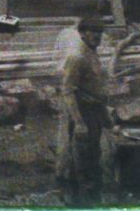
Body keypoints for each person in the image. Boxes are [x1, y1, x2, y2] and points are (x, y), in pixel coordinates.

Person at [56, 15, 112, 201]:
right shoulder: (77, 57)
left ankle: (88, 195)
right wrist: (79, 122)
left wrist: (106, 119)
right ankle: (79, 199)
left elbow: (96, 88)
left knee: (93, 154)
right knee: (83, 159)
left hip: (95, 111)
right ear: (82, 34)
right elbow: (68, 91)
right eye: (92, 32)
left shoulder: (91, 53)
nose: (97, 36)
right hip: (83, 112)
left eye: (99, 32)